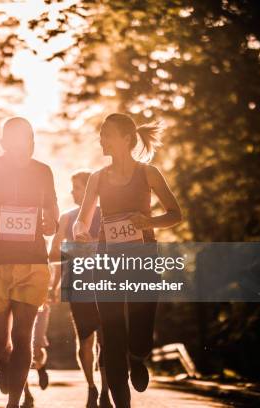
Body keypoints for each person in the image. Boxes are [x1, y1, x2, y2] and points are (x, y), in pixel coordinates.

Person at [73, 113, 182, 408]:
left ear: (126, 139)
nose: (101, 139)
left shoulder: (149, 173)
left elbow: (175, 214)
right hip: (107, 262)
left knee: (141, 331)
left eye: (107, 134)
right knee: (111, 334)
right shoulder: (97, 177)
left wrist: (148, 222)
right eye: (100, 134)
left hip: (142, 260)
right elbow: (81, 221)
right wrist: (81, 232)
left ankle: (137, 357)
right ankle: (123, 404)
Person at [0, 117, 59, 408]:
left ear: (32, 141)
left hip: (33, 263)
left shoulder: (44, 171)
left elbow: (53, 214)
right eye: (15, 139)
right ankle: (5, 363)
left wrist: (50, 224)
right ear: (4, 142)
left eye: (27, 138)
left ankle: (15, 401)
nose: (22, 144)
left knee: (23, 334)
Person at [49, 170, 110, 408]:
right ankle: (91, 387)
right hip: (79, 286)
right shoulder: (67, 218)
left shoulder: (108, 216)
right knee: (85, 340)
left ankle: (105, 390)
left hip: (107, 285)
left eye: (75, 187)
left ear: (88, 190)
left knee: (106, 340)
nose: (71, 192)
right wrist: (74, 248)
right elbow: (52, 254)